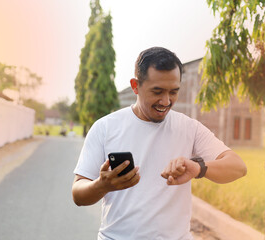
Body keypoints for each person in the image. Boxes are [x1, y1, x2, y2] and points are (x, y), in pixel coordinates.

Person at [72, 47, 247, 240]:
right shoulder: (105, 128)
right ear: (135, 86)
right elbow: (78, 194)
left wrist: (198, 168)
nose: (166, 101)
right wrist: (102, 185)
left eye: (174, 92)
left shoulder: (189, 128)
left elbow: (238, 167)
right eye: (157, 91)